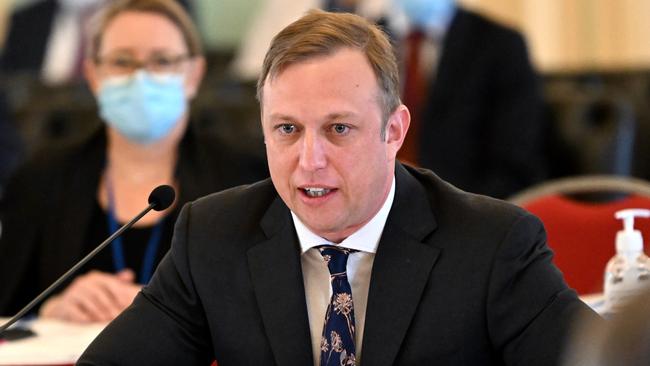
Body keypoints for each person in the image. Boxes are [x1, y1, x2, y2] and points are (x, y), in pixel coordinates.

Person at [78, 10, 598, 365]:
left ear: (393, 130)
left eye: (338, 129)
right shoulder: (213, 236)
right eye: (287, 130)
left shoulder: (492, 244)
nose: (310, 160)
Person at [0, 0, 267, 323]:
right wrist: (49, 309)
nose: (141, 77)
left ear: (194, 74)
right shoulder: (39, 178)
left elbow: (267, 309)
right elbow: (9, 307)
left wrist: (164, 308)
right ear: (93, 74)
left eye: (162, 61)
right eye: (122, 61)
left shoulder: (249, 181)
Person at [392, 0, 547, 199]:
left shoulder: (500, 44)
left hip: (464, 206)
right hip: (373, 210)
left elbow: (515, 160)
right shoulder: (364, 40)